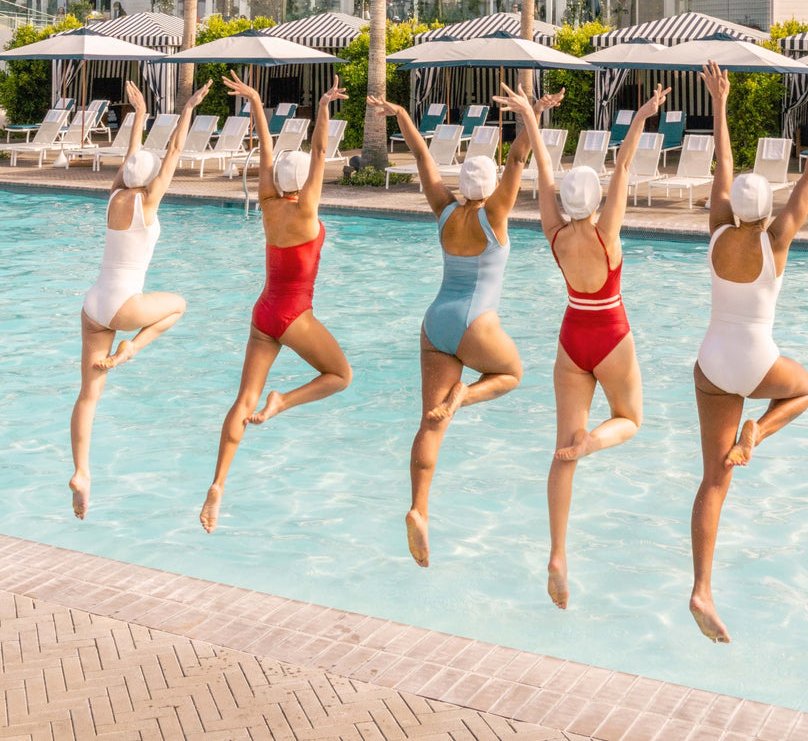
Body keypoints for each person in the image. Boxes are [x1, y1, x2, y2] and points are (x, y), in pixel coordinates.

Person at [368, 86, 564, 569]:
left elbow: (420, 155)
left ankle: (419, 508)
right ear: (491, 184)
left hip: (436, 322)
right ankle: (465, 397)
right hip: (477, 323)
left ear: (462, 181)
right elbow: (519, 159)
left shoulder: (445, 210)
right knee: (512, 374)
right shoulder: (495, 214)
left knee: (429, 422)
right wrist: (530, 114)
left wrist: (399, 114)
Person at [690, 63, 808, 643]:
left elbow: (722, 167)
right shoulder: (774, 238)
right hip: (758, 361)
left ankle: (701, 589)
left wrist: (721, 104)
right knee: (803, 389)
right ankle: (759, 427)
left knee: (713, 480)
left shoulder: (714, 230)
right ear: (767, 209)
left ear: (732, 204)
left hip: (711, 363)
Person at [498, 81, 669, 610]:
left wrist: (530, 115)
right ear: (596, 203)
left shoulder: (554, 232)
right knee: (631, 419)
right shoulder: (606, 233)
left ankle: (557, 553)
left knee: (559, 449)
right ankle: (593, 443)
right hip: (610, 333)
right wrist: (640, 115)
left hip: (572, 337)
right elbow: (623, 169)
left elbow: (544, 173)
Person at [199, 77, 352, 534]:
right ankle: (283, 401)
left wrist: (255, 103)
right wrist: (323, 105)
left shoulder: (268, 203)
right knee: (340, 376)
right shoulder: (307, 211)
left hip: (263, 312)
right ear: (303, 184)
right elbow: (322, 153)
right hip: (291, 316)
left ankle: (218, 484)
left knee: (241, 400)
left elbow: (265, 147)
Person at [70, 78, 211, 519]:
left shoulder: (114, 195)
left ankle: (81, 472)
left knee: (88, 396)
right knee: (179, 304)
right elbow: (173, 154)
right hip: (124, 305)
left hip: (93, 304)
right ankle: (132, 349)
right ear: (149, 180)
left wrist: (140, 113)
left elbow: (135, 157)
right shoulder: (148, 204)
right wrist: (186, 110)